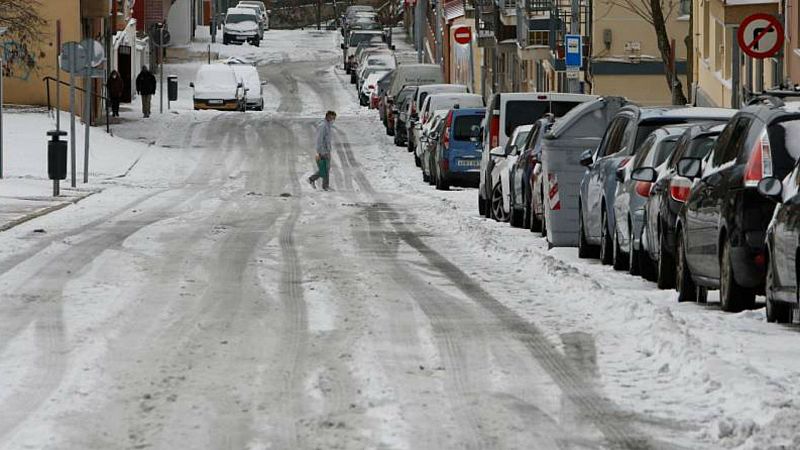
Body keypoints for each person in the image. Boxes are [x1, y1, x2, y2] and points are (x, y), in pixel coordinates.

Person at [309, 111, 337, 190]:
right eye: (333, 117)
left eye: (334, 118)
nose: (334, 119)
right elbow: (319, 139)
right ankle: (312, 179)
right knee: (324, 169)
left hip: (327, 150)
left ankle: (325, 185)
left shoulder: (328, 125)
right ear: (328, 117)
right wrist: (321, 151)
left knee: (326, 169)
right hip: (323, 151)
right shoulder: (323, 126)